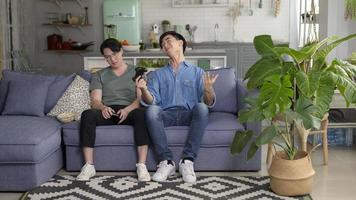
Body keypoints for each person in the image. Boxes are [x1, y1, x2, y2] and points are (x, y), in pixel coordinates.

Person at [137, 31, 218, 183]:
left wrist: (208, 90)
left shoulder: (197, 72)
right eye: (162, 45)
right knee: (152, 110)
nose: (164, 45)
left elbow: (207, 103)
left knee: (201, 108)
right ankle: (166, 161)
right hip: (166, 115)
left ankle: (187, 161)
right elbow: (152, 101)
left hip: (189, 114)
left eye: (168, 41)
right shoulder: (157, 74)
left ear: (181, 43)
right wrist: (143, 90)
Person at [76, 38, 151, 182]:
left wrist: (127, 110)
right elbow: (95, 101)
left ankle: (142, 165)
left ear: (121, 51)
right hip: (108, 111)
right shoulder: (99, 75)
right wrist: (103, 108)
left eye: (115, 54)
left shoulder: (136, 72)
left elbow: (139, 99)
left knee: (143, 113)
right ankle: (89, 166)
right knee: (87, 114)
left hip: (130, 111)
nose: (112, 59)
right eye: (107, 57)